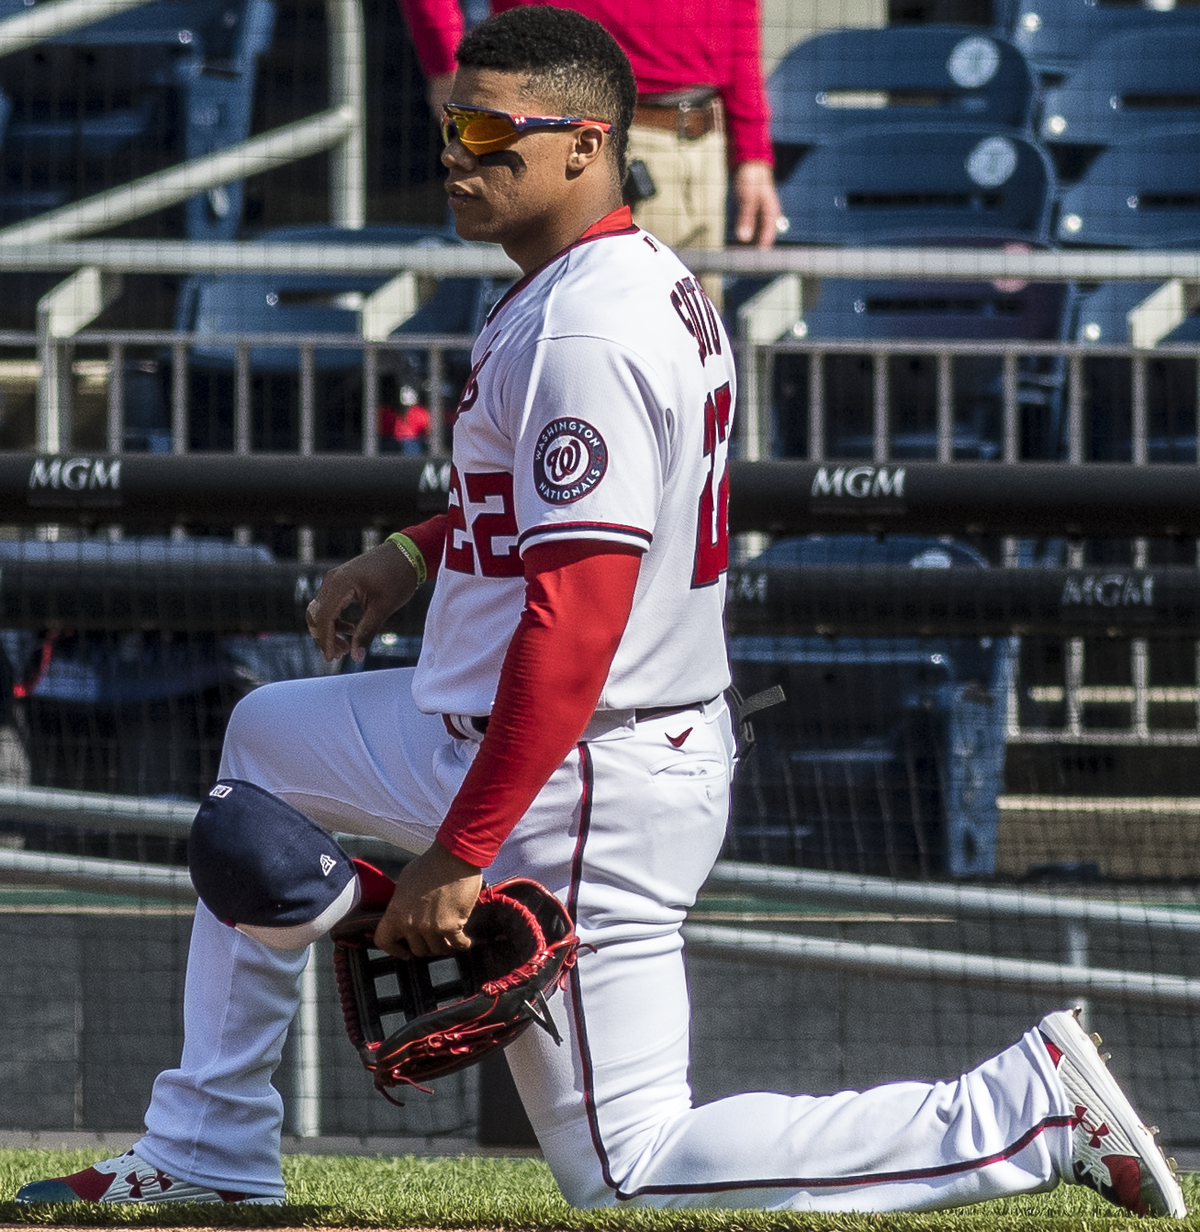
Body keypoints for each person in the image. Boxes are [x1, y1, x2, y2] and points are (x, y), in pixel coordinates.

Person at [15, 8, 1185, 1217]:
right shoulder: (607, 277)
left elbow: (572, 633)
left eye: (488, 131)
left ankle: (1026, 1109)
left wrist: (458, 858)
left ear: (585, 146)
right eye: (446, 125)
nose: (455, 153)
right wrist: (413, 558)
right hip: (520, 730)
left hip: (585, 772)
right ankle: (208, 1140)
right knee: (264, 742)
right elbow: (563, 509)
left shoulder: (585, 328)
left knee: (629, 1164)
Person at [398, 0, 783, 299]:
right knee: (589, 351)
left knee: (687, 366)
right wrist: (448, 67)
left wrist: (751, 152)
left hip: (704, 138)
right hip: (584, 132)